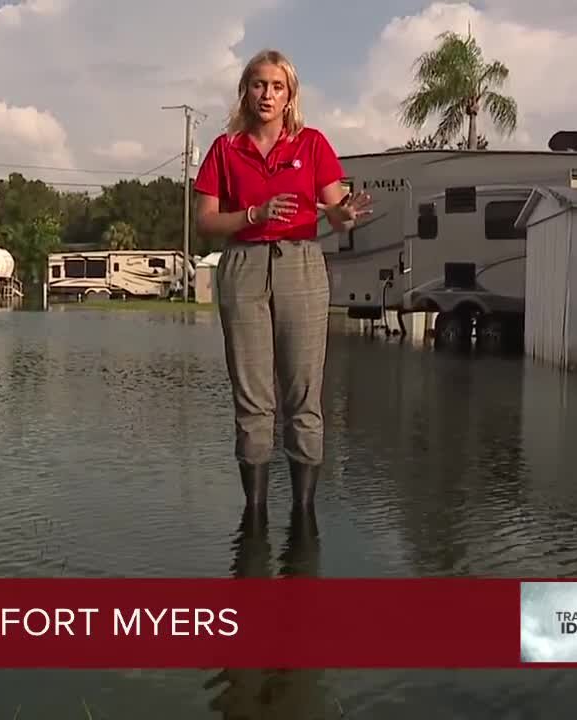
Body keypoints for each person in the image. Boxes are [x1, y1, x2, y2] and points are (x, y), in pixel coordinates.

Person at [193, 49, 372, 517]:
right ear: (245, 91)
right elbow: (206, 223)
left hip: (301, 265)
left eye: (277, 86)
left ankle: (304, 513)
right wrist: (253, 214)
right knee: (252, 398)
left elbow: (336, 210)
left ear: (290, 95)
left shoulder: (311, 144)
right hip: (243, 265)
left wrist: (343, 214)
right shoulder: (225, 149)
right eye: (258, 85)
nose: (267, 94)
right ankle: (254, 513)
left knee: (303, 395)